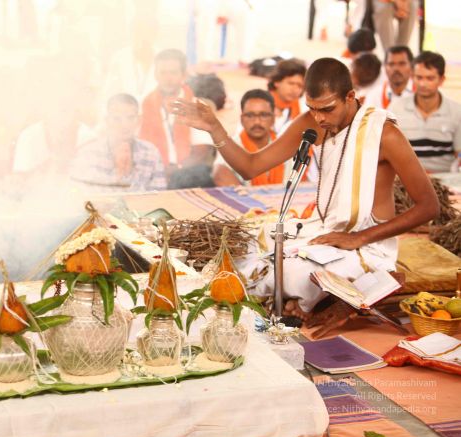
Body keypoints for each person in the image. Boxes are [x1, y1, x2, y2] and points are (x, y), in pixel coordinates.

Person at [173, 57, 438, 320]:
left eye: (327, 109)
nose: (319, 118)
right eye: (312, 108)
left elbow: (429, 206)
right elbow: (250, 167)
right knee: (246, 245)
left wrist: (358, 238)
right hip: (324, 232)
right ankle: (300, 302)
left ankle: (302, 302)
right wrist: (214, 128)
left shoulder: (384, 134)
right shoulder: (313, 121)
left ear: (350, 97)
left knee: (298, 275)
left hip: (367, 247)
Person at [70, 94, 166, 192]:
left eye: (130, 118)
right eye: (116, 119)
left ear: (139, 120)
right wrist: (118, 174)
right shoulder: (88, 154)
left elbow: (160, 196)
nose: (124, 125)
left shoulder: (151, 153)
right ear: (107, 121)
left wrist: (129, 172)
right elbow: (84, 196)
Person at [389, 51, 461, 173]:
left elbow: (459, 154)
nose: (423, 84)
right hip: (405, 178)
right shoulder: (395, 108)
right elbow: (389, 151)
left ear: (442, 80)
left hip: (445, 178)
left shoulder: (457, 112)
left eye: (430, 78)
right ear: (412, 77)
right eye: (419, 77)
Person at [139, 49, 195, 172]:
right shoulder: (145, 104)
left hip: (188, 173)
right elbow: (142, 147)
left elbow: (203, 150)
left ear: (184, 75)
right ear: (155, 75)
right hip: (154, 171)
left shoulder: (195, 104)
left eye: (173, 73)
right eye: (163, 73)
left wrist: (179, 172)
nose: (168, 78)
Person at [213, 89, 278, 186]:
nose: (257, 122)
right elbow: (220, 173)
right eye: (250, 115)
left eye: (263, 115)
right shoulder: (231, 146)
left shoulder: (283, 146)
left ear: (273, 119)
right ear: (242, 119)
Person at [267, 59, 307, 134]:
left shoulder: (302, 111)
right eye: (291, 83)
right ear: (277, 82)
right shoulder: (259, 103)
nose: (295, 89)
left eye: (300, 86)